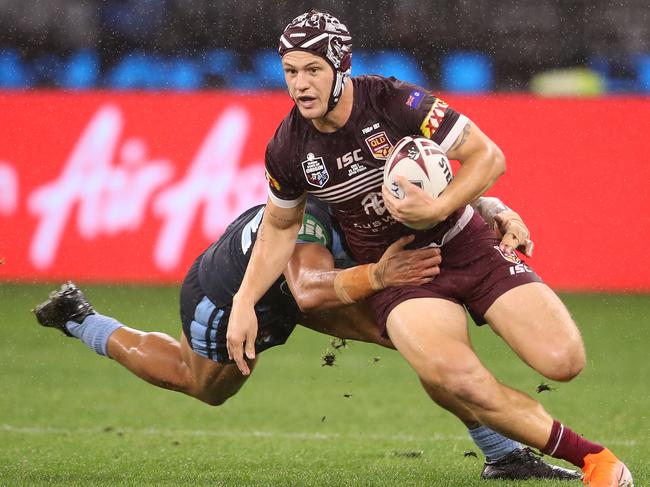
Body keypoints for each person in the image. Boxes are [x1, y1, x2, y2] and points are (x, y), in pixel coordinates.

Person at [227, 10, 633, 486]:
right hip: (403, 276)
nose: (300, 85)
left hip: (467, 245)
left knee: (564, 361)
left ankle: (511, 455)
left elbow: (487, 155)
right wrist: (243, 300)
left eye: (313, 69)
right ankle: (596, 461)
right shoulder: (287, 147)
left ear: (341, 66)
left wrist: (441, 206)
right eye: (290, 71)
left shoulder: (396, 99)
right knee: (457, 378)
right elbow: (278, 226)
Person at [34, 195, 578, 480]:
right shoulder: (308, 217)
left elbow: (437, 188)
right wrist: (385, 278)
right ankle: (81, 319)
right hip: (230, 295)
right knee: (201, 383)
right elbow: (310, 288)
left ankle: (501, 454)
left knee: (417, 341)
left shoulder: (363, 180)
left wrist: (498, 210)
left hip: (312, 284)